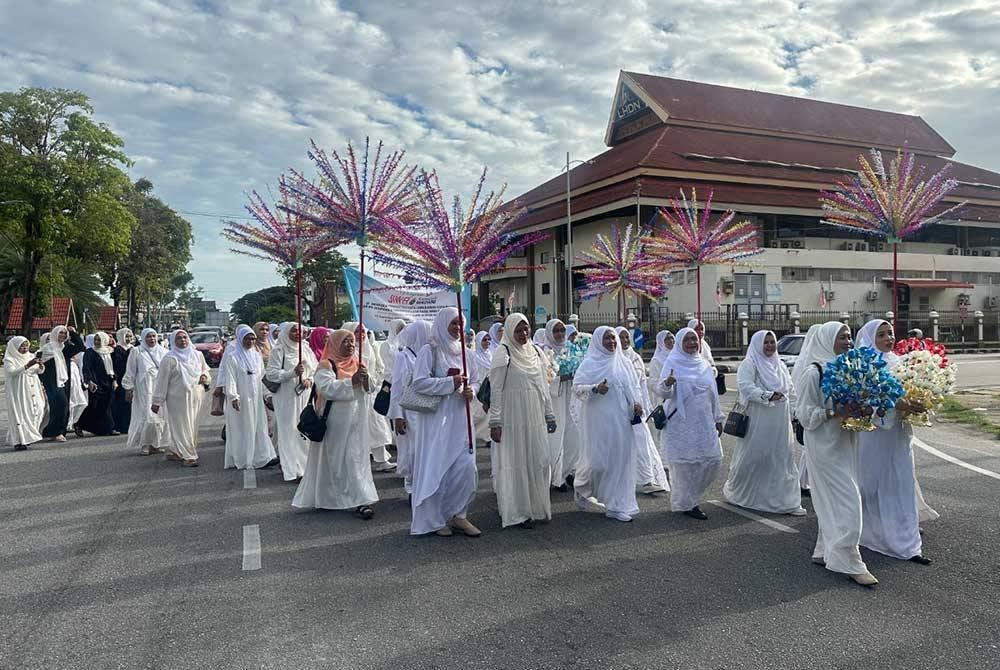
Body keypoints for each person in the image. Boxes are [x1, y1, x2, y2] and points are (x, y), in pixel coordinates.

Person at [793, 321, 878, 587]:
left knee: (834, 500)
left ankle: (824, 549)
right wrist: (834, 412)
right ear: (827, 339)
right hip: (823, 446)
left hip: (846, 442)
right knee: (849, 502)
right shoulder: (814, 372)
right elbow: (804, 414)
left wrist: (865, 408)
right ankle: (850, 561)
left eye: (849, 337)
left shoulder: (852, 368)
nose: (848, 342)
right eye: (842, 337)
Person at [856, 319, 932, 565]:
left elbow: (909, 390)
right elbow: (863, 401)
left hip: (898, 433)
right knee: (873, 481)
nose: (888, 338)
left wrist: (917, 402)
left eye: (890, 333)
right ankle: (871, 526)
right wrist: (893, 405)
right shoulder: (864, 365)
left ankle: (904, 530)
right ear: (870, 338)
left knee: (901, 477)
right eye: (881, 335)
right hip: (875, 435)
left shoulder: (898, 361)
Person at [408, 307, 481, 537]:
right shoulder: (430, 350)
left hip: (461, 418)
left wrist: (472, 391)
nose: (458, 328)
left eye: (461, 324)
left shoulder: (467, 353)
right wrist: (450, 383)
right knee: (438, 468)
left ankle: (459, 514)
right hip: (436, 421)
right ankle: (434, 519)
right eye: (453, 323)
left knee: (466, 468)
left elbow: (477, 380)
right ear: (442, 324)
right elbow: (419, 382)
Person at [292, 329, 379, 517]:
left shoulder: (358, 363)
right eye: (345, 341)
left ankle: (361, 499)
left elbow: (370, 388)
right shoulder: (326, 365)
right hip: (335, 421)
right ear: (335, 344)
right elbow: (327, 388)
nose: (350, 345)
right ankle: (331, 497)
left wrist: (365, 379)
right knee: (337, 459)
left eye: (352, 341)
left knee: (355, 458)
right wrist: (351, 382)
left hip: (357, 420)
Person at [723, 330, 805, 516]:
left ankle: (786, 501)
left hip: (780, 421)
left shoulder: (779, 365)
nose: (769, 346)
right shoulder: (750, 363)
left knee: (782, 458)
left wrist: (796, 412)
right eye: (765, 342)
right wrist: (767, 395)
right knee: (757, 456)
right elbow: (745, 386)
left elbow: (790, 389)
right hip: (759, 419)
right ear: (758, 344)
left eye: (772, 342)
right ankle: (747, 494)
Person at [488, 313, 557, 529]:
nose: (523, 334)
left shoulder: (536, 352)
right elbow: (496, 389)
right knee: (516, 461)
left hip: (534, 414)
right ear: (510, 331)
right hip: (512, 417)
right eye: (518, 330)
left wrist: (549, 413)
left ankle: (536, 508)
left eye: (525, 329)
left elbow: (543, 386)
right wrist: (495, 421)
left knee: (537, 459)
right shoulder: (503, 353)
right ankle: (519, 512)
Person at [571, 326, 641, 522]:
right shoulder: (589, 363)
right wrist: (595, 388)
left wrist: (637, 403)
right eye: (607, 338)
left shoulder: (624, 363)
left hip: (622, 419)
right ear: (598, 341)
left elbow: (632, 387)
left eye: (613, 338)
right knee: (598, 463)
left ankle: (615, 505)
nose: (612, 342)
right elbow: (577, 388)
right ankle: (582, 486)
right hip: (598, 420)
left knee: (620, 461)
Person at [658, 327, 724, 520]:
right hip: (682, 423)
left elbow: (713, 394)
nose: (692, 343)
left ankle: (689, 498)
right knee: (685, 466)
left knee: (713, 460)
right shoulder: (672, 362)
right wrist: (668, 383)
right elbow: (663, 393)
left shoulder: (704, 364)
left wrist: (718, 418)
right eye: (687, 339)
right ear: (680, 343)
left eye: (694, 339)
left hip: (704, 421)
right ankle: (687, 503)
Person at [616, 327, 669, 496]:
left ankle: (648, 481)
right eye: (621, 337)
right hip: (619, 409)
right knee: (621, 446)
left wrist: (645, 406)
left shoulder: (635, 358)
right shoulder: (613, 359)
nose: (625, 341)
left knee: (643, 442)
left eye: (627, 337)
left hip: (637, 409)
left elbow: (642, 385)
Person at [265, 322, 317, 481]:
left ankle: (305, 466)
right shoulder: (279, 350)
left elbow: (315, 369)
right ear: (286, 332)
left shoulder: (306, 349)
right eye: (294, 331)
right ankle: (291, 468)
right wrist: (292, 373)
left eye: (301, 331)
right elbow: (271, 374)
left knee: (303, 430)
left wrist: (309, 379)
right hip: (286, 397)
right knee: (289, 431)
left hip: (304, 395)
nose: (298, 334)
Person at [151, 329, 211, 467]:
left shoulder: (197, 355)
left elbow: (205, 369)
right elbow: (162, 381)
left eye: (185, 337)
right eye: (179, 338)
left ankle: (176, 451)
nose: (183, 340)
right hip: (177, 399)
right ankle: (189, 455)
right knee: (181, 426)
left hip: (196, 396)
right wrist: (157, 401)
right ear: (173, 341)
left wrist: (205, 376)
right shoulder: (169, 359)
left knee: (192, 426)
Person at [343, 321, 397, 473]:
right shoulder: (347, 350)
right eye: (357, 332)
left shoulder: (370, 348)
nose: (361, 335)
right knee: (355, 430)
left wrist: (375, 382)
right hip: (354, 395)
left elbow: (379, 367)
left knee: (376, 427)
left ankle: (382, 459)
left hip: (371, 392)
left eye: (363, 332)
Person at [222, 325, 278, 470]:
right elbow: (230, 379)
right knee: (242, 428)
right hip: (241, 399)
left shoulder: (257, 356)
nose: (250, 341)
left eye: (253, 338)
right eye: (247, 338)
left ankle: (263, 456)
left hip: (256, 399)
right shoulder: (233, 357)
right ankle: (243, 458)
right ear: (240, 339)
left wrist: (268, 395)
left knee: (259, 426)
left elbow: (262, 377)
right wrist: (233, 397)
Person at [388, 320, 432, 494]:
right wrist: (398, 415)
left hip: (428, 408)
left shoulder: (429, 354)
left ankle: (426, 485)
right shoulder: (404, 356)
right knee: (412, 449)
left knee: (427, 448)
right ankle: (411, 486)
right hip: (410, 410)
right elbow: (397, 387)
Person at [539, 318, 581, 491]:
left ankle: (567, 470)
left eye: (562, 330)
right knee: (556, 436)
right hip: (555, 399)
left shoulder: (571, 350)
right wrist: (560, 378)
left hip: (570, 396)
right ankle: (556, 477)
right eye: (556, 331)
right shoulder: (544, 352)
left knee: (573, 435)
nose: (560, 334)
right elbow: (542, 379)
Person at [122, 328, 170, 456]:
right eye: (148, 336)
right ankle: (145, 444)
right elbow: (131, 371)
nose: (152, 339)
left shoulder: (164, 352)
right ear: (143, 338)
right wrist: (128, 388)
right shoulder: (137, 351)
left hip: (160, 388)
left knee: (161, 416)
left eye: (154, 336)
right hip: (144, 389)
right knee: (147, 416)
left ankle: (156, 444)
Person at [38, 325, 85, 442]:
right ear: (54, 333)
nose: (63, 335)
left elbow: (80, 346)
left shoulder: (65, 348)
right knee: (60, 405)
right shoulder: (47, 349)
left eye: (65, 333)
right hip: (52, 381)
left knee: (64, 406)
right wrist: (41, 382)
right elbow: (38, 364)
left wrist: (73, 333)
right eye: (60, 333)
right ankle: (55, 432)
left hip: (64, 381)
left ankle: (57, 431)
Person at [3, 336, 46, 451]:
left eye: (26, 346)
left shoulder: (31, 356)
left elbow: (38, 371)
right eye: (22, 346)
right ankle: (19, 440)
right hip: (18, 389)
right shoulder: (9, 359)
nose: (25, 348)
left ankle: (29, 436)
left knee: (38, 409)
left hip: (33, 386)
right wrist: (27, 365)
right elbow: (11, 372)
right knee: (21, 412)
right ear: (15, 347)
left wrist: (41, 366)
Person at [77, 331, 117, 436]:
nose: (97, 342)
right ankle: (79, 424)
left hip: (108, 380)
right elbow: (87, 367)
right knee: (94, 405)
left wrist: (114, 380)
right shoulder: (90, 352)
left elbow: (113, 367)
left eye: (99, 340)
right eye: (95, 340)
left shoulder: (109, 351)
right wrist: (89, 381)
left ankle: (107, 428)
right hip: (96, 381)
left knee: (106, 405)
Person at [647, 330, 674, 446]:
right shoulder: (657, 360)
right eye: (666, 339)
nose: (670, 341)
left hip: (677, 399)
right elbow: (652, 381)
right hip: (663, 400)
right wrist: (665, 384)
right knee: (664, 433)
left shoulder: (678, 356)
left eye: (672, 338)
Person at [469, 331, 493, 446]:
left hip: (489, 387)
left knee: (489, 414)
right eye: (484, 340)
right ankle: (472, 435)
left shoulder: (492, 355)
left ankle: (487, 437)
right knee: (478, 413)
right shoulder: (474, 356)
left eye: (489, 340)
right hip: (478, 388)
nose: (487, 342)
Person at [111, 328, 135, 435]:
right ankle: (121, 426)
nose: (128, 339)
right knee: (121, 402)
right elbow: (114, 366)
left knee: (131, 403)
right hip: (120, 378)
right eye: (126, 336)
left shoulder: (134, 349)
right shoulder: (116, 350)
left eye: (130, 336)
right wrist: (114, 379)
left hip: (132, 377)